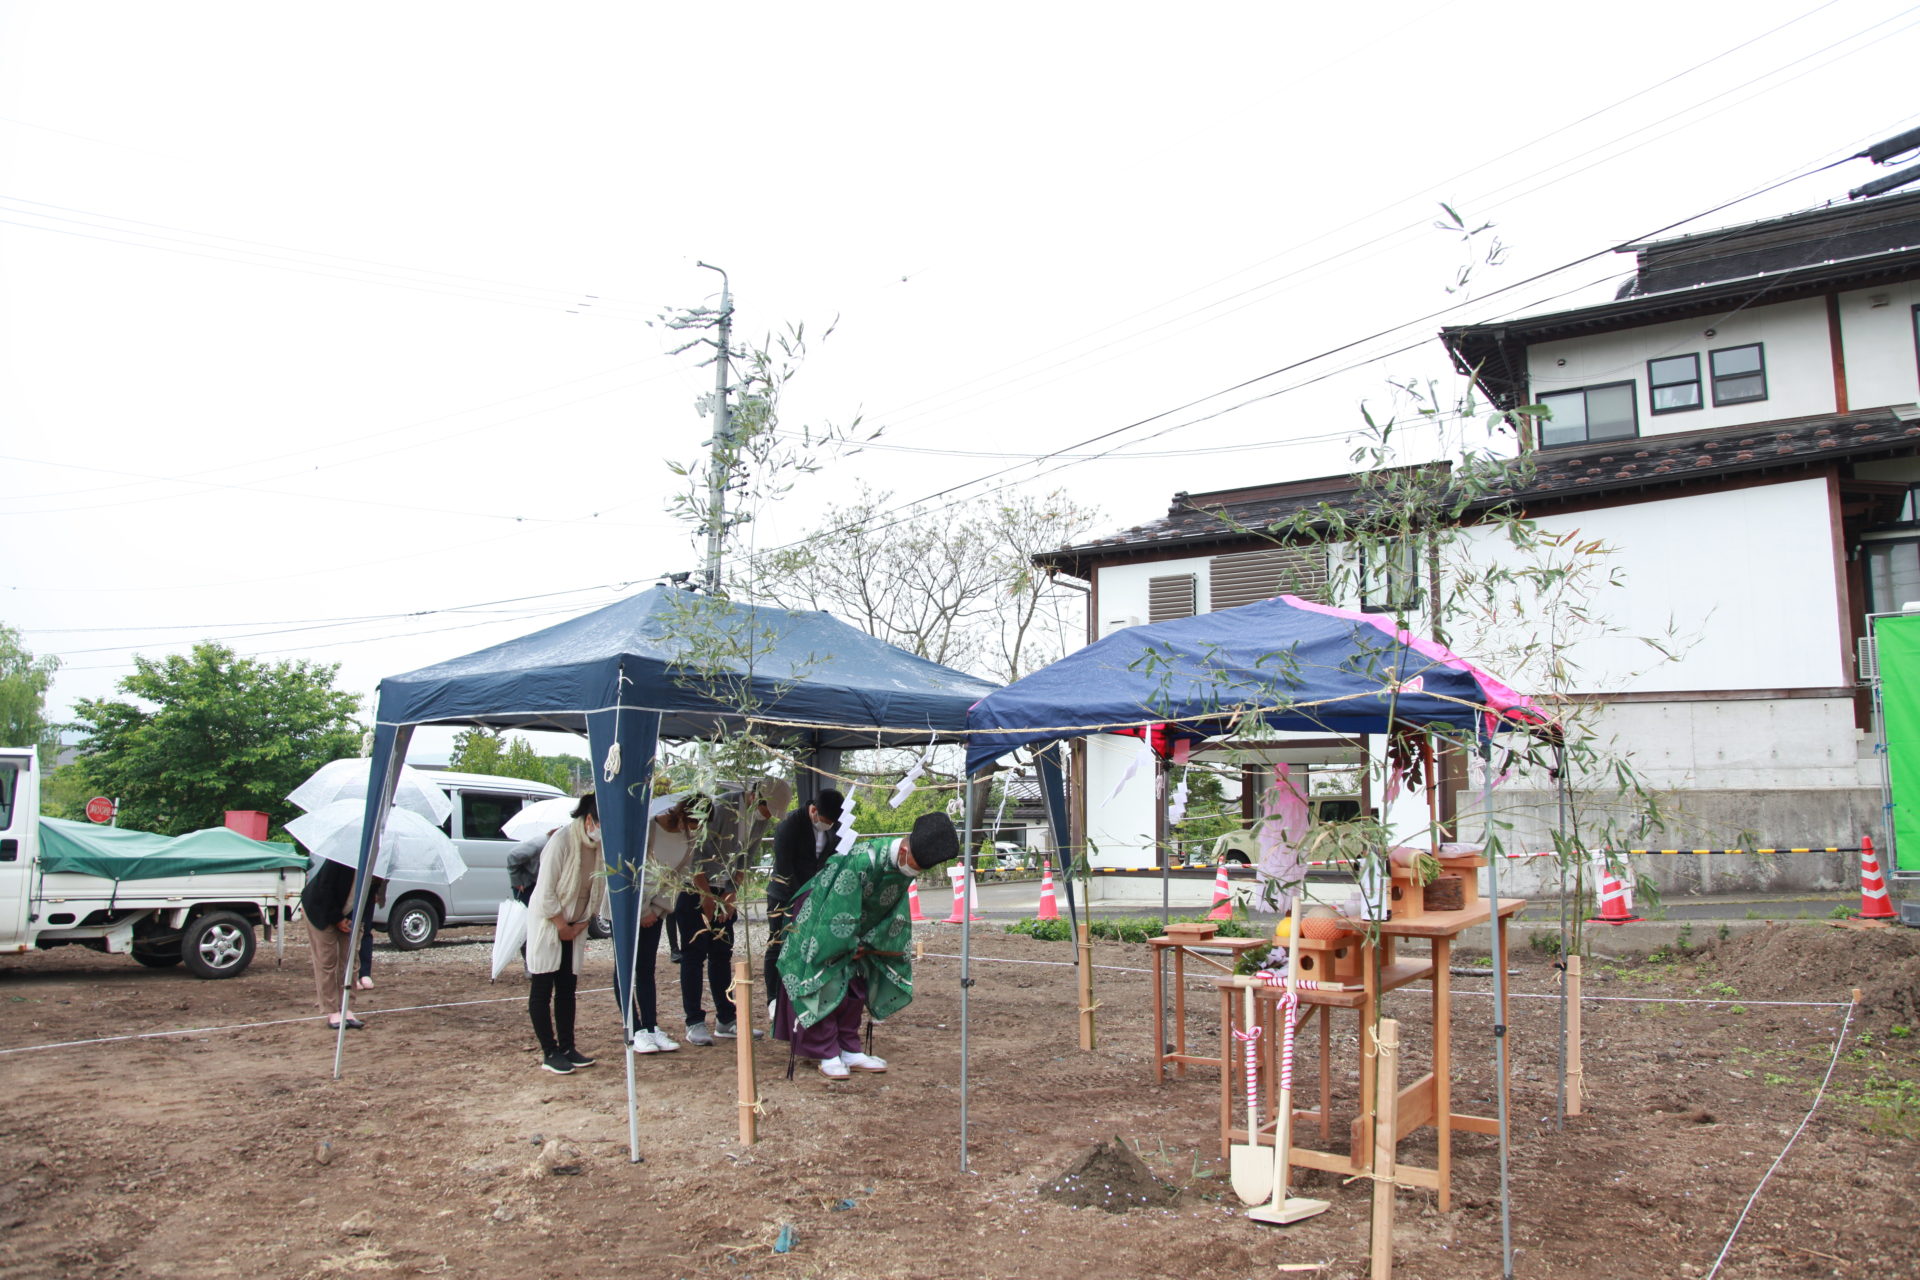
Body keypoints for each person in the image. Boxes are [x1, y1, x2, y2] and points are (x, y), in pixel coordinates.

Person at [774, 810, 958, 1081]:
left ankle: (849, 1046)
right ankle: (825, 1050)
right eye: (915, 864)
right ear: (905, 848)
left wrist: (871, 943)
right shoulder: (863, 859)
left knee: (856, 979)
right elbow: (838, 908)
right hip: (823, 917)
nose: (914, 872)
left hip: (859, 929)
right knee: (827, 977)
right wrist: (847, 943)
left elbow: (894, 909)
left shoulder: (902, 866)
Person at [678, 778, 791, 1046]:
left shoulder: (759, 819)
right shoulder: (721, 807)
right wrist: (706, 896)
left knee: (721, 953)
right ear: (756, 798)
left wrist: (730, 895)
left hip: (723, 890)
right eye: (767, 809)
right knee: (694, 955)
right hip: (695, 888)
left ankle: (726, 1019)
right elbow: (696, 853)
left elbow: (746, 858)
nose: (767, 817)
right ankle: (694, 1021)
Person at [525, 793, 609, 1075]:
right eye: (600, 825)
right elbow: (545, 890)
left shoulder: (598, 848)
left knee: (567, 989)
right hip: (549, 924)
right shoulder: (561, 841)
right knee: (542, 987)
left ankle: (568, 1047)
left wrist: (580, 925)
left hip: (576, 925)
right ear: (588, 820)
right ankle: (549, 1051)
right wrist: (561, 924)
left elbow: (595, 888)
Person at [625, 793, 705, 1054]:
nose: (697, 829)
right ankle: (634, 1028)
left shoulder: (689, 839)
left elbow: (678, 877)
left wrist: (657, 909)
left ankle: (650, 1026)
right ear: (684, 814)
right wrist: (643, 910)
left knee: (647, 968)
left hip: (656, 909)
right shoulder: (648, 827)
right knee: (627, 968)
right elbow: (627, 872)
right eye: (696, 822)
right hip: (628, 908)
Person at [763, 788, 844, 1007]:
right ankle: (773, 998)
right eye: (824, 821)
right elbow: (784, 869)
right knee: (778, 943)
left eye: (831, 822)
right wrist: (802, 896)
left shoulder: (834, 826)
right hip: (785, 894)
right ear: (814, 810)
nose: (827, 825)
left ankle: (800, 993)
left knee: (807, 945)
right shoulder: (790, 825)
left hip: (815, 893)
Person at [302, 858, 371, 1030]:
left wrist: (352, 919)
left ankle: (347, 1007)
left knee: (350, 961)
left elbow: (368, 900)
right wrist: (337, 919)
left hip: (348, 914)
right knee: (327, 960)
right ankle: (331, 1010)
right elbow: (325, 890)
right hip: (321, 911)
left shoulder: (375, 868)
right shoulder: (340, 860)